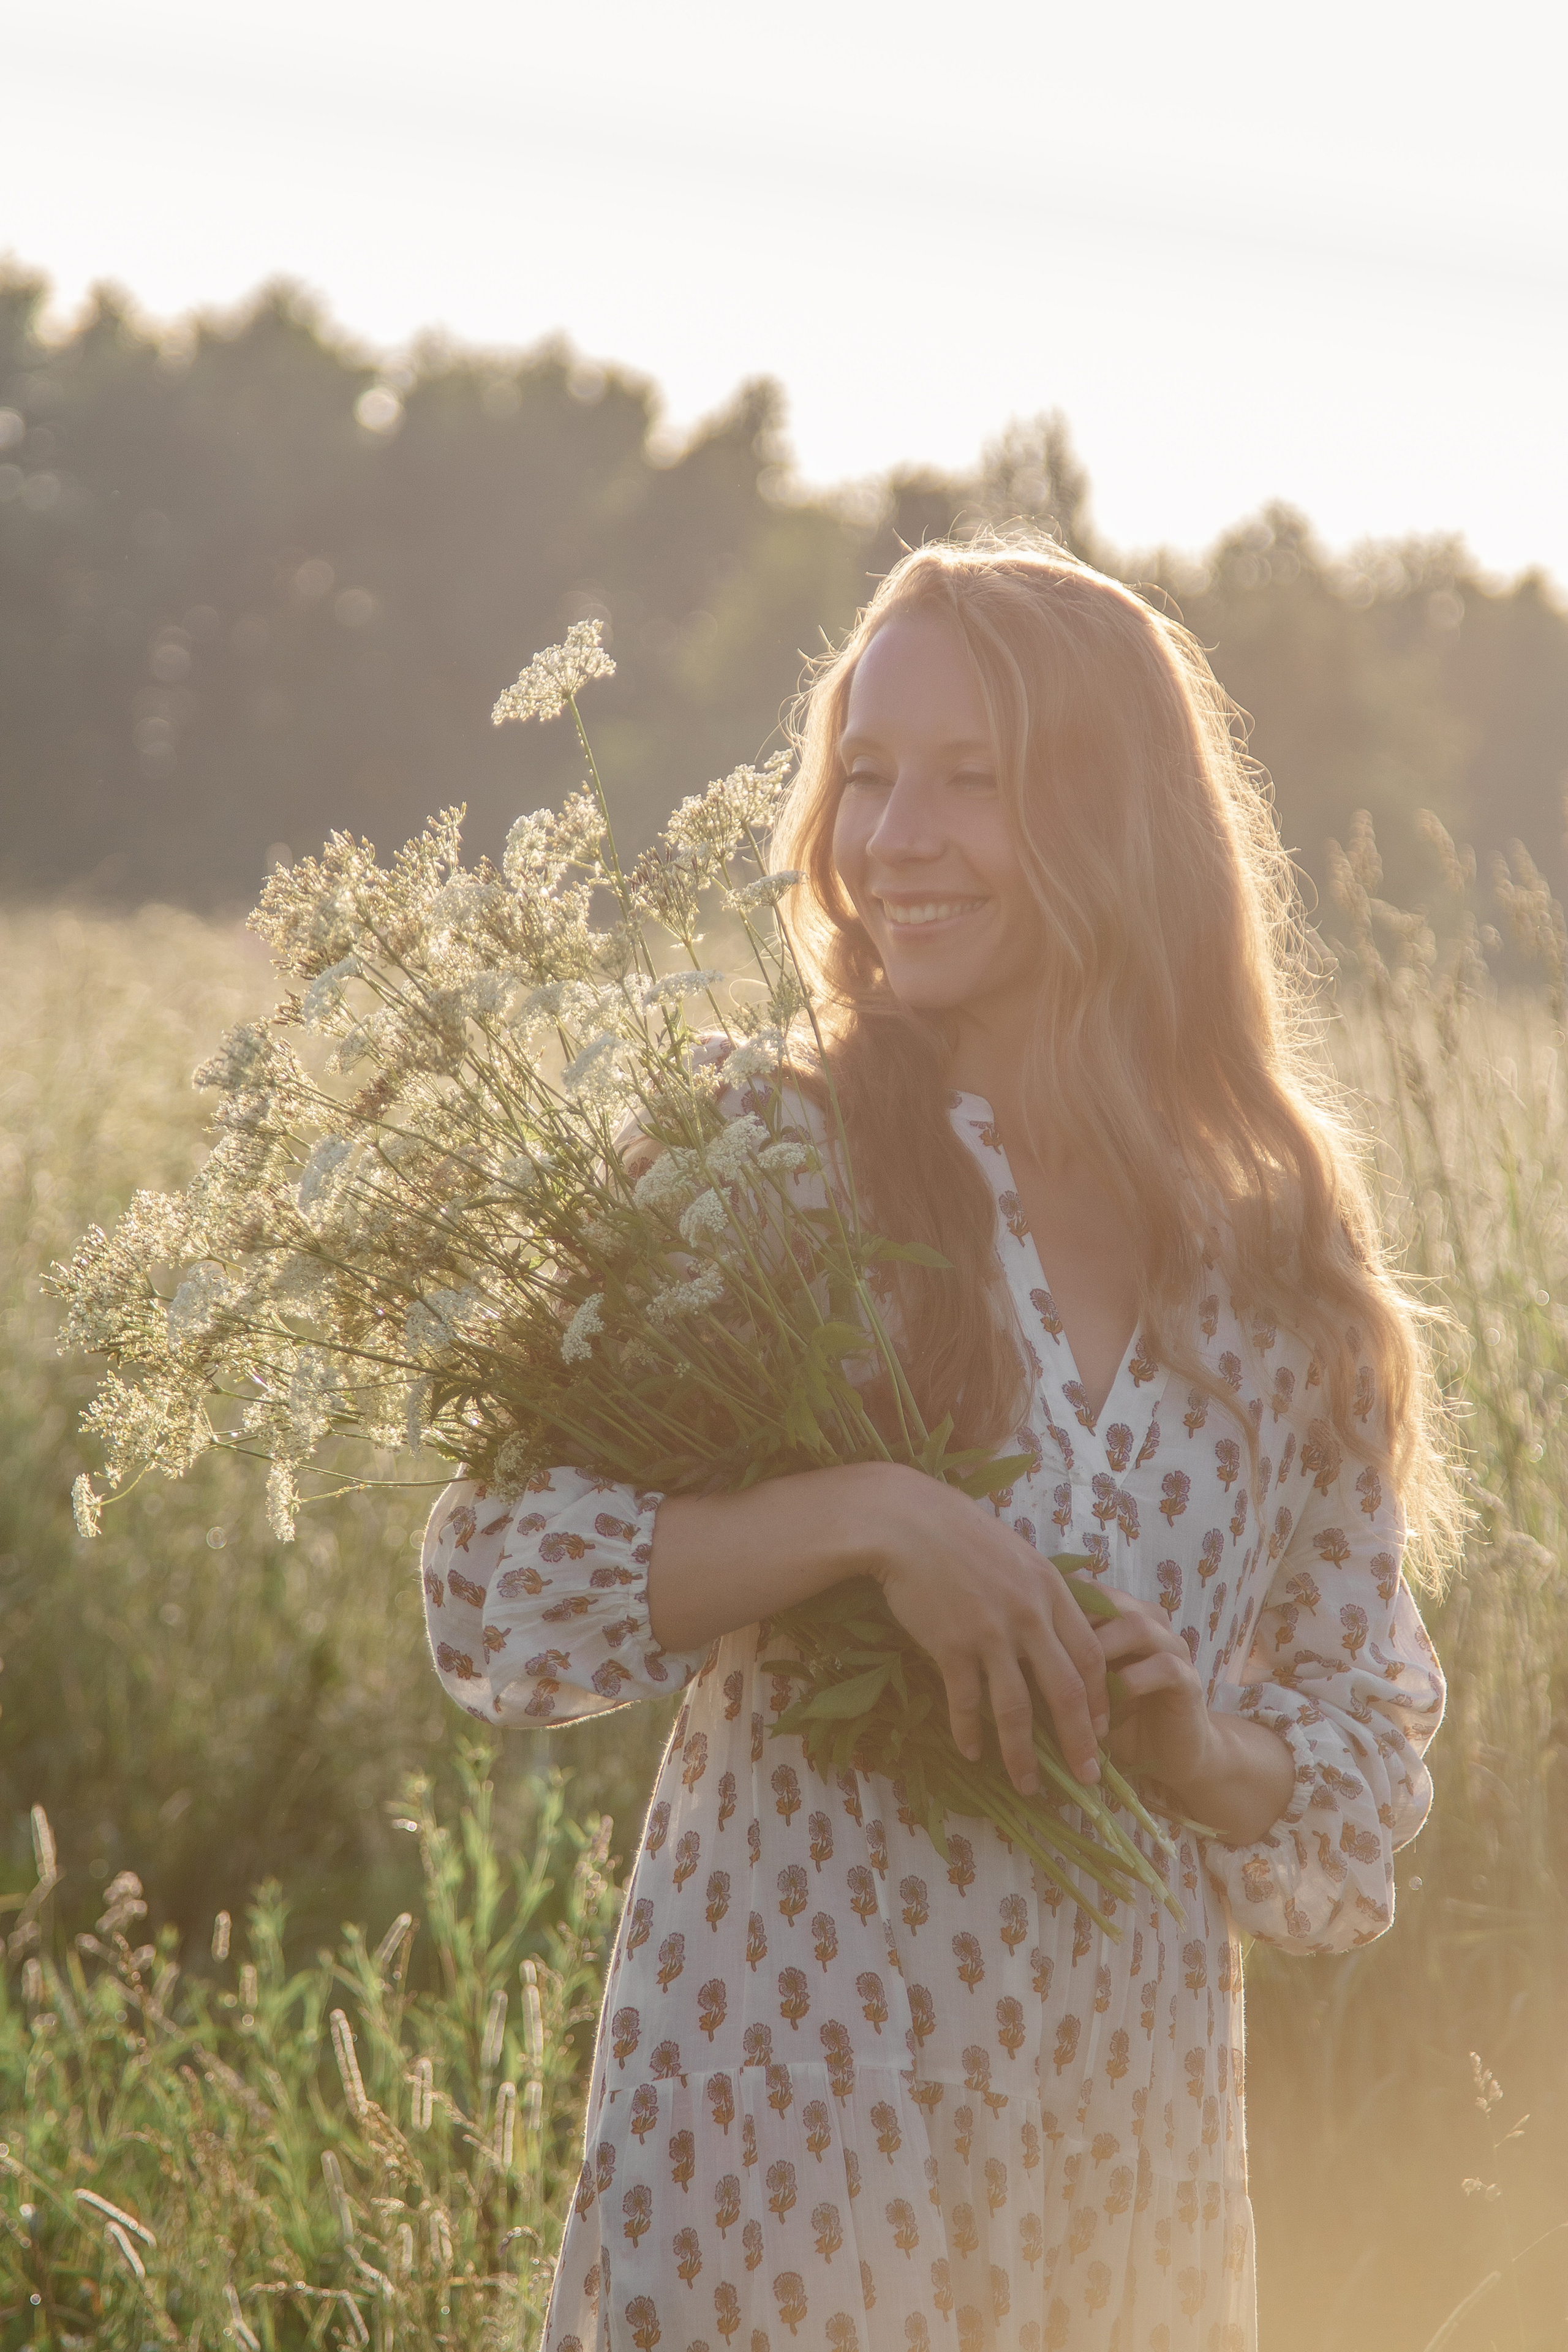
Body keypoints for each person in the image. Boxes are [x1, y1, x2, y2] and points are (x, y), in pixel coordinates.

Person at [422, 538, 1452, 2352]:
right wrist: (878, 1517)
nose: (892, 834)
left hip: (1116, 2143)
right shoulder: (770, 1155)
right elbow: (494, 1592)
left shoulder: (1281, 1260)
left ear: (1118, 818)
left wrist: (1198, 1745)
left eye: (971, 778)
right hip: (785, 2121)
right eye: (870, 771)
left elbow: (1360, 1774)